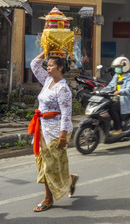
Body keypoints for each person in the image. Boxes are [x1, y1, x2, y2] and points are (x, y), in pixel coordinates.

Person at [29, 52, 78, 212]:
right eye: (48, 65)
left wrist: (63, 136)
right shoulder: (47, 80)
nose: (48, 68)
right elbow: (34, 65)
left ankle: (48, 199)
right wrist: (46, 49)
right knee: (43, 163)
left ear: (60, 68)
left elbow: (66, 114)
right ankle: (70, 180)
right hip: (42, 127)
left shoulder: (63, 89)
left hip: (57, 130)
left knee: (49, 166)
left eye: (51, 66)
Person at [105, 56, 130, 136]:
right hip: (117, 99)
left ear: (125, 66)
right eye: (116, 67)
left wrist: (119, 92)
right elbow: (110, 86)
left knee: (113, 108)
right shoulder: (116, 76)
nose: (117, 69)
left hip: (126, 101)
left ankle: (118, 129)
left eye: (119, 67)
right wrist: (103, 90)